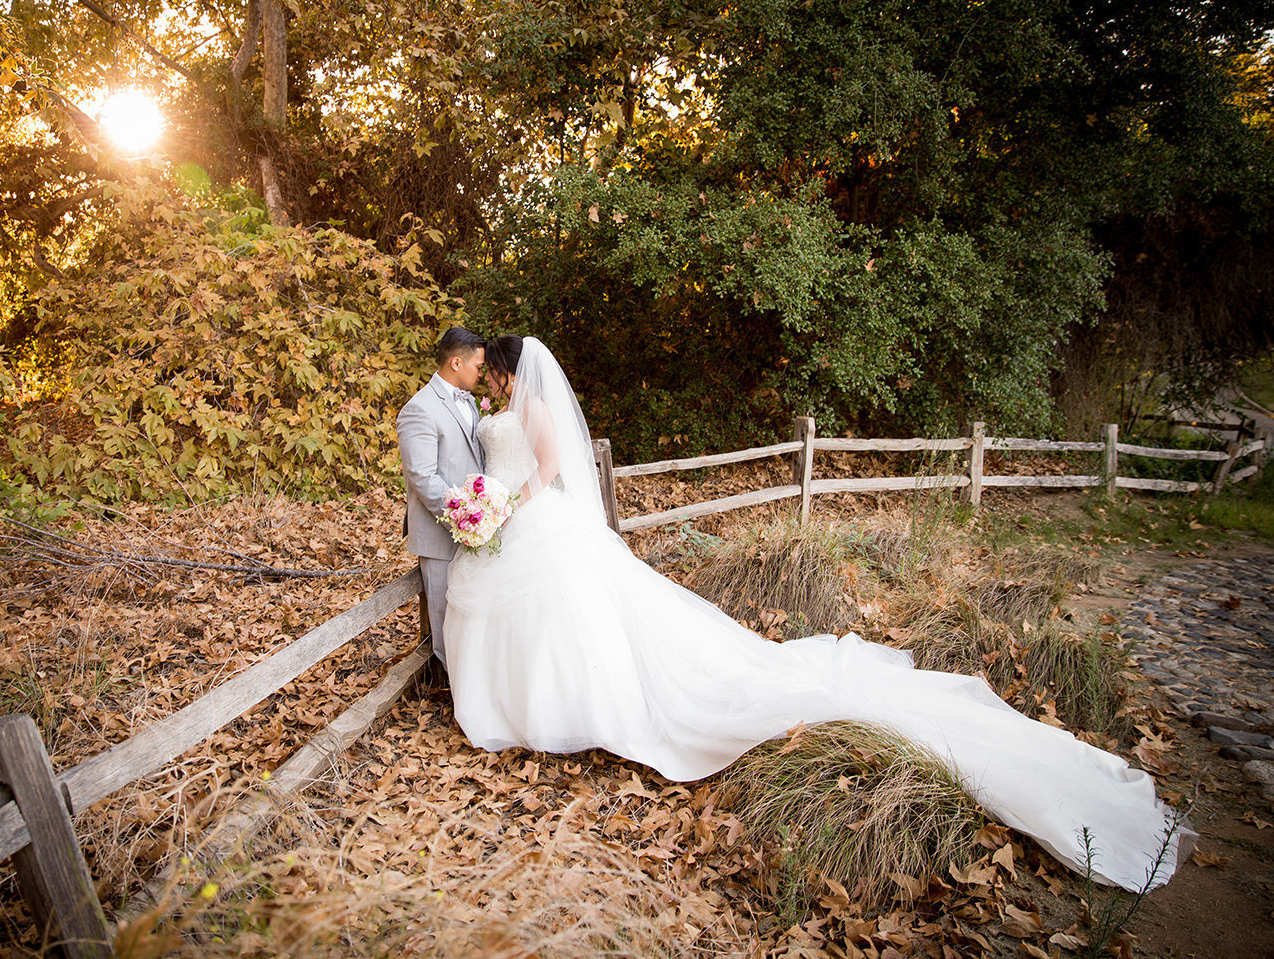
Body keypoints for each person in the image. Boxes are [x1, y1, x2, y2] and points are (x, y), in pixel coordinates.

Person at [442, 334, 1185, 893]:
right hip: (514, 526)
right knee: (557, 624)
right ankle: (540, 713)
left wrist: (505, 506)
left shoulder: (532, 406)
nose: (489, 377)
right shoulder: (498, 406)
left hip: (534, 519)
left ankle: (564, 714)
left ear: (509, 369)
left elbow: (546, 471)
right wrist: (491, 508)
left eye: (492, 367)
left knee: (577, 623)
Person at [396, 327, 488, 670]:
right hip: (441, 533)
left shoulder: (470, 404)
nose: (481, 373)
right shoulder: (419, 409)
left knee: (469, 616)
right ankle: (456, 699)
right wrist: (465, 514)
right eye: (478, 366)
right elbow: (422, 476)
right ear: (455, 362)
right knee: (445, 620)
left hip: (475, 529)